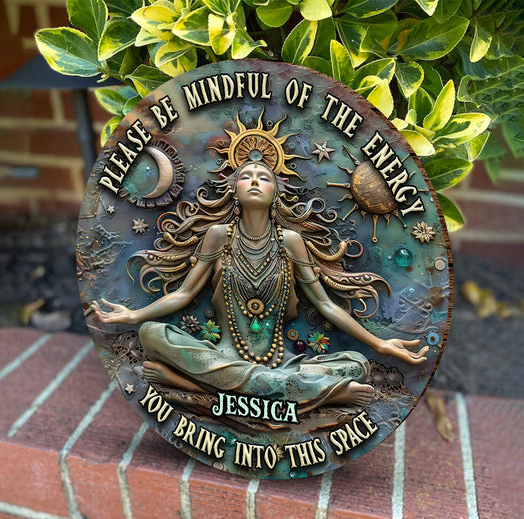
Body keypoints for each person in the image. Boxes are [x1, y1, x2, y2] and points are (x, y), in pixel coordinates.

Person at [92, 161, 428, 415]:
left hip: (279, 361)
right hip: (222, 358)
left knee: (357, 364)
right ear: (234, 191)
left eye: (263, 177)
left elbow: (325, 305)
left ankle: (190, 382)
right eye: (246, 177)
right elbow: (184, 294)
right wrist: (134, 315)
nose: (254, 181)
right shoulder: (218, 236)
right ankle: (319, 392)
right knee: (151, 334)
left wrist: (379, 344)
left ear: (275, 192)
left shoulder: (291, 242)